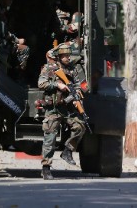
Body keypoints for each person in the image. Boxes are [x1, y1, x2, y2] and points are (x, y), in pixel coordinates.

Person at [37, 44, 86, 180]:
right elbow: (41, 84)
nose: (67, 58)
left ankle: (67, 150)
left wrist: (76, 97)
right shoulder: (49, 68)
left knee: (80, 125)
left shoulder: (72, 69)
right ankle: (46, 168)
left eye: (68, 55)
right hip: (53, 108)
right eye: (64, 56)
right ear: (59, 56)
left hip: (68, 107)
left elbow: (78, 86)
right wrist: (57, 85)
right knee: (50, 138)